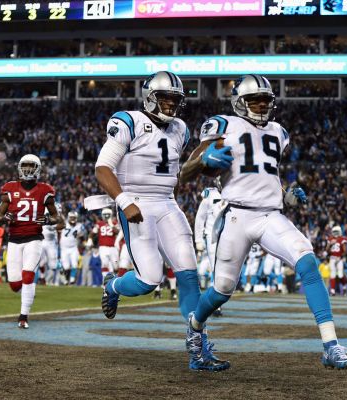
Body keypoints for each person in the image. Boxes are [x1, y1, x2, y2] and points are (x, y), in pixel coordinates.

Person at [180, 74, 347, 370]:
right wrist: (203, 160)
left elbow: (264, 174)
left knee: (307, 261)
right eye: (254, 100)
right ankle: (195, 327)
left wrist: (285, 196)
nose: (261, 105)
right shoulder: (223, 125)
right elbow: (185, 171)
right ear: (239, 102)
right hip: (236, 215)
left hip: (270, 215)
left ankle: (331, 346)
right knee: (222, 289)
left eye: (266, 100)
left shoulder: (278, 131)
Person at [95, 71, 228, 371]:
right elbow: (103, 168)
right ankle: (113, 287)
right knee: (149, 280)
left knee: (189, 273)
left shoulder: (180, 128)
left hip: (167, 203)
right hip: (135, 202)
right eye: (164, 98)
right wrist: (124, 200)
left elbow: (176, 172)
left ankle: (198, 349)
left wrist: (204, 156)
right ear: (149, 98)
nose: (170, 105)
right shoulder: (128, 122)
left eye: (174, 100)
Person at [0, 154, 60, 329]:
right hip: (14, 240)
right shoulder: (10, 188)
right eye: (25, 165)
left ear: (38, 169)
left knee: (28, 275)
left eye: (31, 166)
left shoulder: (44, 190)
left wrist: (47, 220)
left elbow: (56, 217)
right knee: (15, 284)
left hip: (34, 238)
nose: (28, 169)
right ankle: (28, 293)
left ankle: (23, 316)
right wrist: (5, 217)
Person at [194, 186, 222, 290]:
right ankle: (214, 291)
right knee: (215, 265)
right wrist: (198, 239)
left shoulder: (234, 191)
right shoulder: (210, 193)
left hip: (228, 235)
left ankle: (219, 291)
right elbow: (200, 217)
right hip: (212, 235)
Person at [91, 208, 120, 278]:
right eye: (105, 215)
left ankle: (115, 279)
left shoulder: (115, 223)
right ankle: (105, 282)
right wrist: (90, 239)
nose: (106, 216)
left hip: (113, 248)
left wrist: (111, 224)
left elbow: (118, 232)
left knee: (116, 266)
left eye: (108, 215)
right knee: (104, 264)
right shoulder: (99, 224)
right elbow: (93, 233)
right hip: (103, 247)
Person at [39, 204, 64, 285]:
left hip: (52, 242)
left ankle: (49, 281)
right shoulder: (44, 212)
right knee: (41, 262)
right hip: (41, 240)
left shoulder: (59, 217)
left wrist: (54, 228)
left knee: (53, 264)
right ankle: (42, 277)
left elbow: (63, 225)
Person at [59, 211, 85, 285]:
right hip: (64, 248)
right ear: (68, 217)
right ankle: (65, 278)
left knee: (74, 264)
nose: (73, 219)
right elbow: (57, 229)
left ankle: (72, 280)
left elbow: (82, 236)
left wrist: (83, 242)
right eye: (71, 217)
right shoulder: (64, 224)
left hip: (73, 247)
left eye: (74, 217)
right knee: (66, 267)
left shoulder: (79, 226)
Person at [327, 225, 347, 296]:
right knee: (332, 274)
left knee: (340, 275)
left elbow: (345, 250)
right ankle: (332, 291)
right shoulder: (330, 239)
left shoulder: (342, 239)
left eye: (337, 232)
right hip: (332, 258)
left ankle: (344, 288)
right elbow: (327, 250)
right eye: (334, 232)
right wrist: (330, 244)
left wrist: (341, 256)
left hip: (339, 258)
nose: (336, 233)